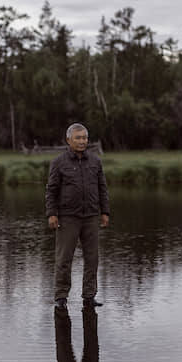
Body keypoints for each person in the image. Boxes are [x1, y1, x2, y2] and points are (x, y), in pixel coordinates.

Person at [45, 123, 110, 308]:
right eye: (78, 138)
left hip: (91, 217)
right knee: (64, 259)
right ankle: (60, 297)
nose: (82, 141)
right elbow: (51, 190)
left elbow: (102, 188)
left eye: (84, 138)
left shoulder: (95, 162)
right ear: (68, 140)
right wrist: (51, 214)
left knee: (92, 258)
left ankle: (89, 296)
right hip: (67, 218)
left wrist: (105, 212)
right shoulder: (59, 162)